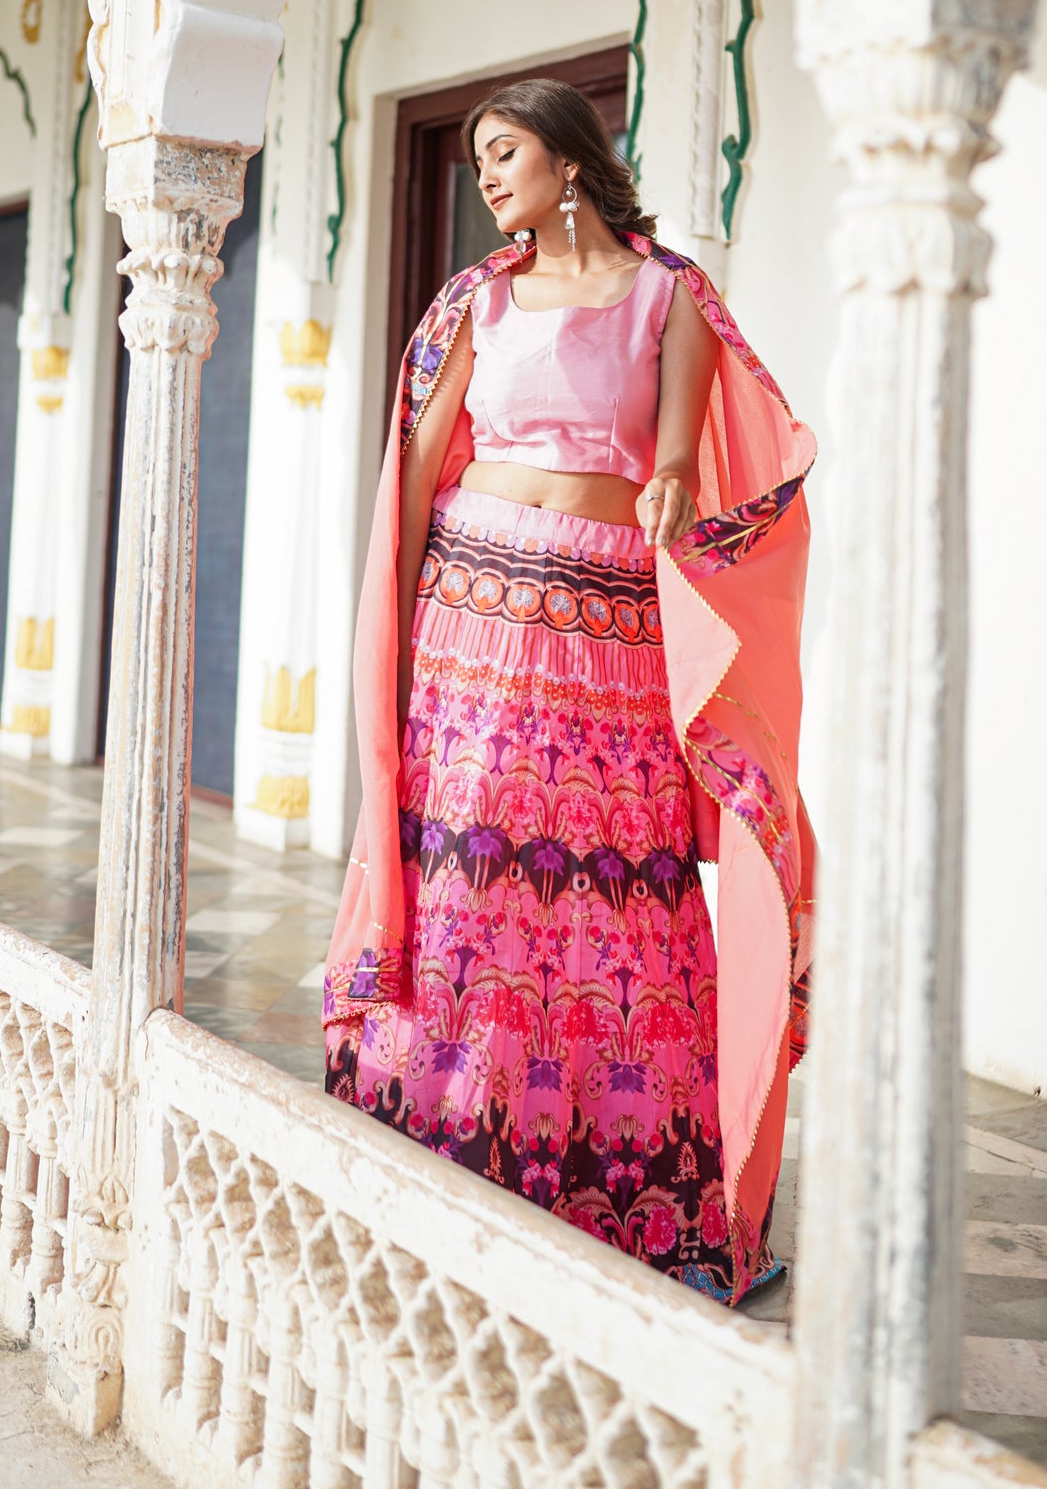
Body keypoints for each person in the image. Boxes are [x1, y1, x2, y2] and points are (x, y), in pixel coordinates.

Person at [323, 78, 816, 1303]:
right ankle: (439, 1130)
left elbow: (688, 459)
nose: (488, 177)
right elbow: (419, 477)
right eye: (479, 158)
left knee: (615, 887)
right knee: (470, 862)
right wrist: (389, 653)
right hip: (474, 624)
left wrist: (673, 494)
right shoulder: (474, 300)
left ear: (569, 157)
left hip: (610, 631)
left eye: (505, 153)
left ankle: (616, 1172)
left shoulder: (670, 295)